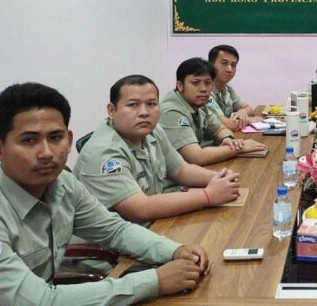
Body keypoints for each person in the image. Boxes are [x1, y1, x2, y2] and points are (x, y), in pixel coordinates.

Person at [0, 83, 210, 306]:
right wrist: (155, 281)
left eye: (55, 138)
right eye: (28, 140)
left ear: (68, 139)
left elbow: (114, 230)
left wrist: (174, 251)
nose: (46, 153)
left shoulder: (62, 184)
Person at [74, 74, 241, 225]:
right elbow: (140, 209)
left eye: (151, 104)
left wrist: (219, 178)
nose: (144, 112)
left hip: (156, 223)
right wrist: (208, 196)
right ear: (112, 110)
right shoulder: (103, 153)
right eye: (133, 105)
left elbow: (180, 170)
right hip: (112, 245)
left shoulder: (153, 131)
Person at [159, 58, 268, 166]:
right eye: (195, 83)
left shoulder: (199, 104)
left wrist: (227, 139)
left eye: (208, 83)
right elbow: (196, 157)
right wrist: (238, 147)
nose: (203, 89)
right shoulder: (172, 112)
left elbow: (220, 129)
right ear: (180, 86)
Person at [207, 44, 262, 132]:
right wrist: (249, 120)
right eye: (224, 63)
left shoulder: (227, 88)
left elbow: (250, 109)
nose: (229, 69)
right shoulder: (205, 91)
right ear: (211, 65)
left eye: (233, 65)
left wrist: (242, 112)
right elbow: (227, 125)